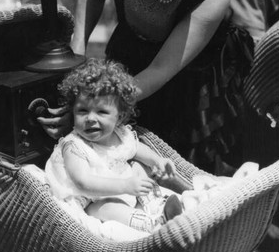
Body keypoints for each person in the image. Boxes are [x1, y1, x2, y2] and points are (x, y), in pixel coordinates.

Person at [45, 0, 253, 174]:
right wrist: (76, 62)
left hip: (185, 77)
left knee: (166, 162)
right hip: (129, 51)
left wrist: (92, 103)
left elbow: (162, 68)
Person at [45, 58, 183, 234]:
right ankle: (151, 224)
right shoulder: (74, 146)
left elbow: (136, 149)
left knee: (140, 166)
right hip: (89, 201)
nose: (90, 118)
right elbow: (83, 183)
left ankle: (155, 204)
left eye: (101, 112)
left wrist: (157, 160)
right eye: (82, 111)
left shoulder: (119, 134)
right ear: (73, 112)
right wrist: (125, 186)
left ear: (119, 117)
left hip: (120, 187)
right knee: (108, 207)